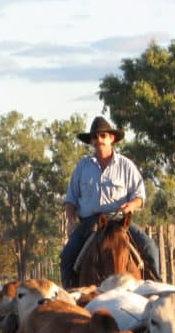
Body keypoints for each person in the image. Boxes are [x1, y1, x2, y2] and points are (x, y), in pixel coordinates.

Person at [60, 116, 161, 288]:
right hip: (91, 222)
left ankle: (155, 289)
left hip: (120, 222)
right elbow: (71, 200)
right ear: (91, 141)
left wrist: (131, 205)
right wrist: (71, 222)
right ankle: (70, 296)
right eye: (95, 137)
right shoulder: (82, 167)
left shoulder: (126, 165)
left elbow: (139, 196)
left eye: (103, 135)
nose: (99, 140)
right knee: (67, 256)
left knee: (150, 247)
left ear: (111, 138)